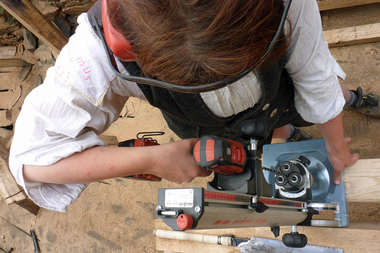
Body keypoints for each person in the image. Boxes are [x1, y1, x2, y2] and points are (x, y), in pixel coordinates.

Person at [8, 0, 377, 212]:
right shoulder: (97, 51)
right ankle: (287, 134)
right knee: (268, 130)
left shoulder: (288, 4)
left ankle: (345, 103)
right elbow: (30, 160)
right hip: (201, 127)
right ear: (129, 48)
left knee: (309, 103)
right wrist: (151, 159)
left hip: (278, 92)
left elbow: (316, 79)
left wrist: (336, 146)